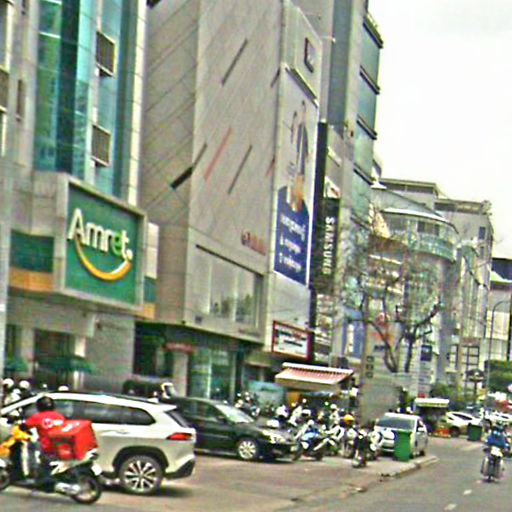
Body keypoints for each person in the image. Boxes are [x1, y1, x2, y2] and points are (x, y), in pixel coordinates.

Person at [24, 395, 66, 486]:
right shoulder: (59, 416)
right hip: (61, 445)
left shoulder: (38, 417)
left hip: (47, 446)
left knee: (31, 446)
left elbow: (24, 426)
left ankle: (33, 472)